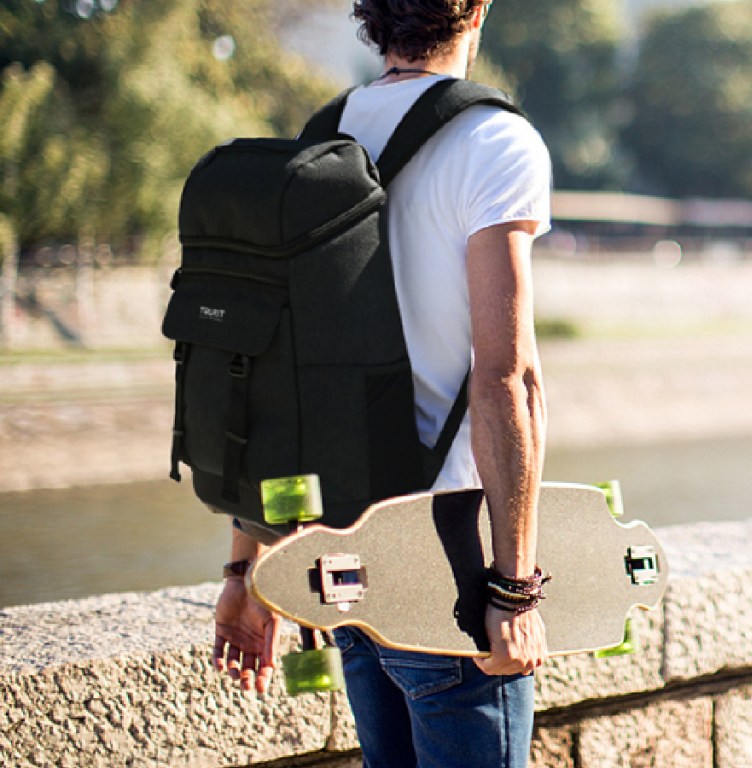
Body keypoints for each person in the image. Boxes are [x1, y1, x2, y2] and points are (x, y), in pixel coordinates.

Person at [212, 1, 552, 765]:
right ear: (479, 10)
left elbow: (271, 378)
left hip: (350, 560)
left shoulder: (324, 136)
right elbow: (509, 377)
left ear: (371, 17)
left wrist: (249, 565)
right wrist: (514, 591)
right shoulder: (494, 140)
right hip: (451, 567)